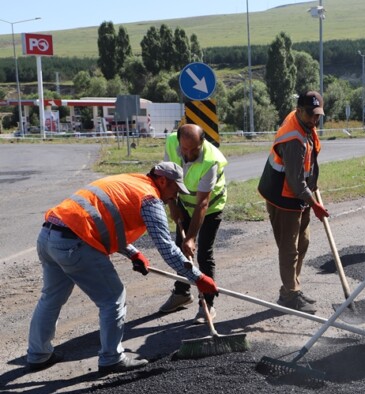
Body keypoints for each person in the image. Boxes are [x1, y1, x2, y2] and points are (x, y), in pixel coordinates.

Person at [28, 162, 219, 373]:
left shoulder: (131, 182)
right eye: (175, 189)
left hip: (49, 235)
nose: (174, 197)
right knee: (113, 299)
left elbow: (107, 221)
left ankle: (38, 354)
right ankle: (111, 358)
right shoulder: (150, 198)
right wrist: (197, 277)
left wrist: (133, 253)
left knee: (51, 297)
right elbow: (166, 247)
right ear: (163, 181)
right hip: (76, 242)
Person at [257, 91, 329, 314]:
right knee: (289, 249)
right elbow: (296, 182)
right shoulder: (294, 139)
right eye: (310, 114)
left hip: (299, 194)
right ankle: (290, 294)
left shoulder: (305, 125)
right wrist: (314, 204)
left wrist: (313, 188)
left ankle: (291, 288)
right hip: (283, 196)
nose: (314, 119)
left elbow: (307, 167)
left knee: (303, 242)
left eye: (318, 115)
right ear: (299, 110)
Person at [158, 124, 228, 324]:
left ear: (202, 142)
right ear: (179, 142)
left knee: (203, 252)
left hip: (210, 206)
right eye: (185, 149)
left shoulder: (211, 160)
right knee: (180, 249)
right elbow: (167, 175)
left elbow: (203, 204)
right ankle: (182, 293)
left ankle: (207, 303)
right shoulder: (172, 142)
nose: (188, 154)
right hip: (184, 203)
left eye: (193, 150)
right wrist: (172, 204)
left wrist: (191, 238)